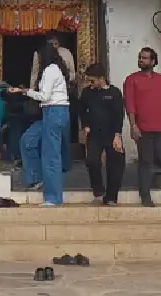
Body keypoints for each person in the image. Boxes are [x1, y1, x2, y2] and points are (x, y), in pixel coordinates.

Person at [11, 42, 70, 206]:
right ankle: (40, 183)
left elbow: (45, 96)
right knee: (31, 142)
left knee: (51, 156)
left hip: (53, 110)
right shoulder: (55, 69)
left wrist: (25, 91)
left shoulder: (50, 70)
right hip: (53, 112)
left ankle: (53, 198)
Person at [123, 46, 161, 208]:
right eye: (140, 57)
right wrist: (133, 125)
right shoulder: (131, 79)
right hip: (143, 128)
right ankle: (145, 196)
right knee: (146, 162)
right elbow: (130, 104)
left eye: (145, 58)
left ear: (153, 61)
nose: (141, 60)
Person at [77, 62, 126, 205]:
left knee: (115, 164)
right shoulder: (87, 93)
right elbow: (81, 110)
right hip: (94, 133)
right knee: (92, 161)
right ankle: (98, 191)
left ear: (101, 78)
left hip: (111, 133)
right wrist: (85, 125)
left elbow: (119, 115)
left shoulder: (114, 92)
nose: (91, 84)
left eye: (93, 81)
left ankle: (111, 197)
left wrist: (117, 135)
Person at [30, 32, 78, 172]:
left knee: (62, 134)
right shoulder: (40, 55)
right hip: (47, 100)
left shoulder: (65, 53)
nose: (54, 47)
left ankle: (64, 164)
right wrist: (32, 92)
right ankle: (52, 167)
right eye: (51, 44)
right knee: (49, 137)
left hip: (60, 99)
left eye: (56, 43)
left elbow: (73, 72)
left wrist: (63, 81)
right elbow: (34, 73)